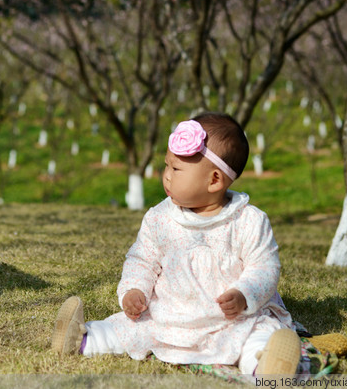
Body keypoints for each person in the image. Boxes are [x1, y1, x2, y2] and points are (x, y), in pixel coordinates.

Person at [51, 112, 302, 376]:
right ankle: (83, 338)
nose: (166, 176)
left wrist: (243, 294)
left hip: (231, 320)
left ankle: (266, 367)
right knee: (130, 326)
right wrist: (134, 289)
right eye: (167, 165)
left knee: (257, 333)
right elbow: (141, 259)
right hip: (169, 317)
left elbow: (265, 267)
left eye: (176, 169)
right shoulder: (160, 218)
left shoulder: (249, 221)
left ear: (214, 180)